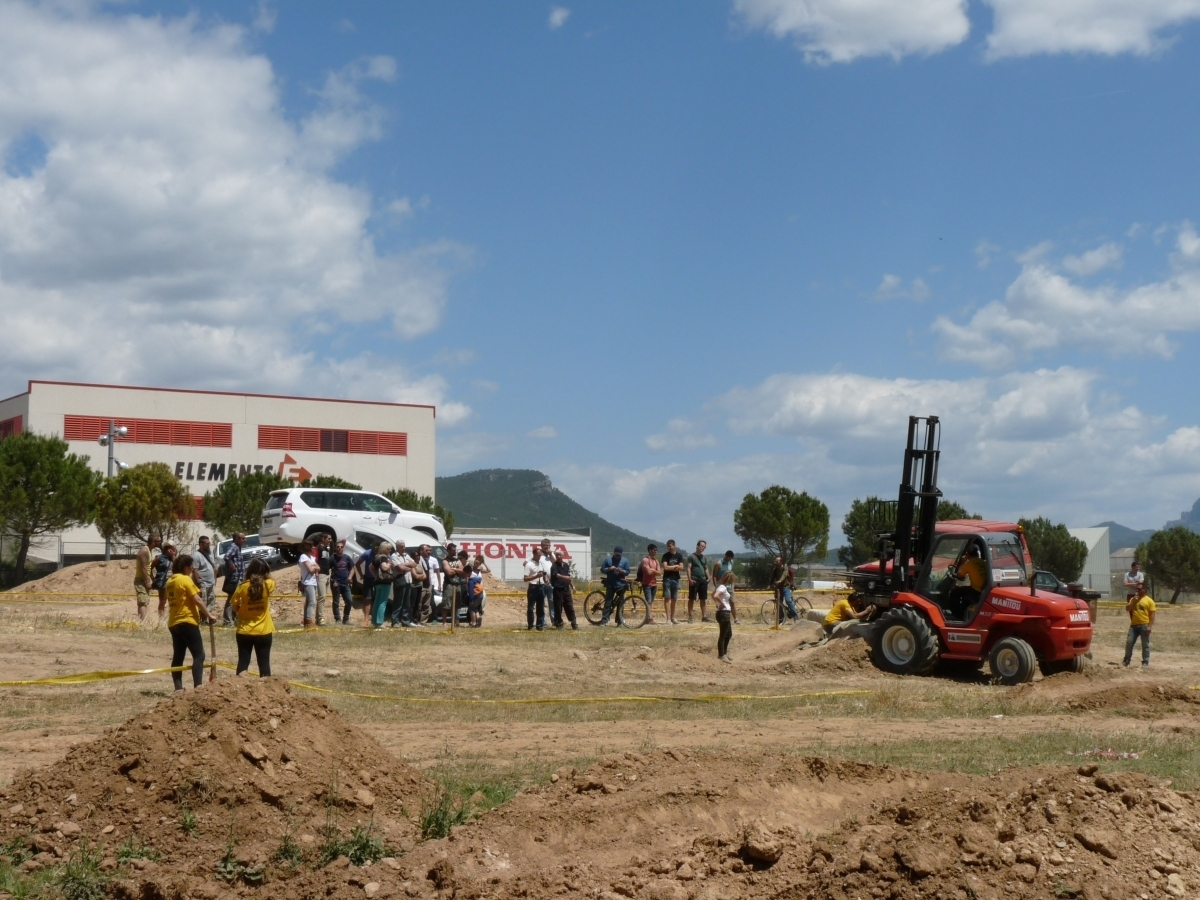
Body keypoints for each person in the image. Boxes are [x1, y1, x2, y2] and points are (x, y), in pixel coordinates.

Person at [165, 553, 215, 691]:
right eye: (191, 567)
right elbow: (197, 599)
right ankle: (198, 687)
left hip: (174, 622)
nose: (192, 570)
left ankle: (178, 688)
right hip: (187, 621)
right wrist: (209, 614)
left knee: (178, 655)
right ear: (186, 568)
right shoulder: (185, 579)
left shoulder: (170, 581)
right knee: (199, 655)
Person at [231, 558, 275, 677]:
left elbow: (234, 608)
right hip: (264, 630)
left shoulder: (242, 587)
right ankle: (267, 691)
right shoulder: (268, 585)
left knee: (243, 663)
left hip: (244, 630)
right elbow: (271, 579)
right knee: (264, 664)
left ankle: (239, 688)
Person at [1124, 583, 1155, 667]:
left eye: (1139, 589)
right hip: (1134, 625)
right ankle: (1126, 660)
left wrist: (1150, 626)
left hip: (1144, 625)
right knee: (1129, 642)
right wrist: (1133, 601)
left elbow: (1152, 615)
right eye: (1136, 589)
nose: (1137, 590)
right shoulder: (1133, 599)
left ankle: (1145, 661)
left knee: (1145, 644)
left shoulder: (1149, 601)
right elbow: (1127, 609)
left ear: (1144, 590)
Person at [599, 546, 631, 627]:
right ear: (614, 553)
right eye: (616, 555)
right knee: (608, 603)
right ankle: (604, 621)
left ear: (621, 554)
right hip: (610, 584)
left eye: (619, 555)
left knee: (620, 604)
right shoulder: (608, 559)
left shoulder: (625, 561)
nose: (617, 557)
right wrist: (609, 569)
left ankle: (619, 621)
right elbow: (602, 569)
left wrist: (621, 571)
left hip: (621, 585)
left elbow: (627, 571)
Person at [221, 532, 247, 626]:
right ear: (236, 539)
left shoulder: (238, 547)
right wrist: (231, 565)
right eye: (243, 538)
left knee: (237, 600)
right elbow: (227, 557)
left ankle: (235, 620)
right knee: (231, 600)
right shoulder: (234, 546)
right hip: (234, 578)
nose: (245, 540)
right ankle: (227, 622)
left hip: (239, 578)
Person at [370, 542, 397, 630]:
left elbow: (370, 567)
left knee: (377, 602)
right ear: (384, 549)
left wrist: (376, 576)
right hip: (385, 582)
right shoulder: (384, 557)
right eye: (388, 549)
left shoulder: (377, 557)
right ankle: (379, 622)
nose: (390, 551)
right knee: (383, 603)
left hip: (378, 582)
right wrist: (389, 563)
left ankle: (374, 621)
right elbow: (384, 568)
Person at [134, 534, 160, 622]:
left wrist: (152, 578)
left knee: (145, 601)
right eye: (158, 541)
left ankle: (143, 621)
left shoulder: (149, 550)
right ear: (153, 542)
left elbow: (149, 567)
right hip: (141, 579)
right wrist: (147, 582)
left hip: (145, 579)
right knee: (142, 601)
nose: (160, 543)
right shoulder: (144, 551)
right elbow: (144, 568)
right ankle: (142, 622)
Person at [523, 546, 549, 631]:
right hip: (533, 587)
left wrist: (545, 579)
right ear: (534, 554)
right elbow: (525, 578)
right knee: (531, 607)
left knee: (540, 607)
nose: (539, 556)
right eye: (538, 555)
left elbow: (543, 574)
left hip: (541, 587)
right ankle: (530, 625)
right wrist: (535, 576)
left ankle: (540, 625)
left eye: (540, 555)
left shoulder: (541, 564)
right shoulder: (529, 565)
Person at [551, 548, 577, 630]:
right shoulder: (554, 565)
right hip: (558, 589)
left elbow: (569, 577)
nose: (558, 556)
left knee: (569, 606)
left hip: (566, 589)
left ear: (563, 556)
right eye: (557, 555)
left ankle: (574, 623)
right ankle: (559, 623)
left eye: (560, 555)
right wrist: (564, 577)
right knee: (558, 607)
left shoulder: (566, 565)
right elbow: (556, 575)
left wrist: (573, 586)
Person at [329, 539, 354, 624]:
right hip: (336, 584)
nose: (339, 548)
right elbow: (326, 570)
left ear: (343, 548)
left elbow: (352, 568)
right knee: (336, 602)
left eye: (341, 547)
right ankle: (337, 619)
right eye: (338, 547)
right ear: (335, 548)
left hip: (346, 583)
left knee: (349, 601)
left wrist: (350, 577)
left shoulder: (347, 557)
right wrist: (332, 581)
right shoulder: (332, 558)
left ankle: (346, 619)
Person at [193, 536, 218, 619]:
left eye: (209, 543)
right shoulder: (196, 556)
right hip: (202, 584)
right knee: (203, 602)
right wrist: (199, 584)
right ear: (201, 544)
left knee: (211, 601)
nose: (209, 545)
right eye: (207, 544)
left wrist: (215, 579)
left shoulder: (210, 554)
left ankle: (207, 618)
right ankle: (202, 620)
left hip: (211, 583)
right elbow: (195, 570)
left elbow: (214, 567)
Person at [660, 539, 684, 625]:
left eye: (670, 546)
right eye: (668, 546)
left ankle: (673, 618)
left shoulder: (679, 556)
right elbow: (665, 567)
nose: (669, 548)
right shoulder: (665, 556)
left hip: (676, 579)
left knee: (674, 599)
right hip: (667, 579)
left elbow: (681, 567)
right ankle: (668, 618)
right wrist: (676, 566)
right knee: (667, 598)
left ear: (674, 546)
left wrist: (673, 567)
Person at [297, 539, 320, 628]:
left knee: (308, 601)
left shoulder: (311, 558)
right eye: (312, 546)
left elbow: (318, 567)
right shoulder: (303, 557)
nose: (313, 548)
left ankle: (306, 620)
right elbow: (311, 570)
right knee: (312, 601)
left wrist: (314, 567)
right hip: (308, 582)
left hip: (314, 582)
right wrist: (314, 567)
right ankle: (309, 620)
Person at [771, 557, 801, 624]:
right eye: (775, 561)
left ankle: (795, 617)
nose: (775, 562)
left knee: (788, 601)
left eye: (777, 561)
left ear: (781, 562)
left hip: (786, 587)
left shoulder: (785, 567)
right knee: (779, 603)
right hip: (779, 588)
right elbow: (772, 578)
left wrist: (780, 580)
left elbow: (784, 575)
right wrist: (769, 585)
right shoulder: (775, 569)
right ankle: (781, 619)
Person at [354, 542, 376, 627]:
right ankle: (366, 619)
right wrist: (361, 575)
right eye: (373, 547)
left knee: (378, 599)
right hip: (368, 579)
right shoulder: (367, 553)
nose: (374, 549)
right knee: (368, 599)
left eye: (376, 547)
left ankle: (375, 618)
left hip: (378, 579)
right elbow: (357, 564)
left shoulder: (383, 554)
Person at [418, 544, 440, 626]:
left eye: (430, 550)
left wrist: (439, 583)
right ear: (422, 551)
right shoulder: (418, 560)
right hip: (421, 583)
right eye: (427, 550)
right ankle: (417, 619)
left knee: (430, 602)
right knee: (420, 602)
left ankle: (434, 618)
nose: (429, 552)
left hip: (431, 584)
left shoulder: (433, 560)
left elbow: (437, 572)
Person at [687, 540, 709, 623]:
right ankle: (690, 616)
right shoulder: (691, 557)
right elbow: (689, 568)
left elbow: (706, 568)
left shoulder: (704, 558)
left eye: (704, 547)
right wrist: (689, 579)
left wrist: (708, 577)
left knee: (703, 598)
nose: (703, 548)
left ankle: (704, 616)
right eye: (702, 546)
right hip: (694, 579)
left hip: (703, 580)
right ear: (697, 546)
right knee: (691, 598)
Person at [638, 544, 661, 624]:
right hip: (646, 583)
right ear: (650, 550)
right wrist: (654, 571)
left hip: (654, 584)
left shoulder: (656, 561)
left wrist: (653, 571)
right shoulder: (645, 560)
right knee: (649, 601)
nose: (656, 552)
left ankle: (649, 617)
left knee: (651, 601)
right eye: (654, 550)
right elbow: (648, 572)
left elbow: (659, 573)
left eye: (656, 550)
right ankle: (649, 618)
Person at [154, 541, 177, 619]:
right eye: (173, 548)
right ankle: (162, 619)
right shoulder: (159, 558)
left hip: (173, 582)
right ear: (168, 549)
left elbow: (178, 566)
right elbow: (150, 568)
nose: (174, 549)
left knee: (173, 601)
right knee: (163, 601)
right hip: (163, 582)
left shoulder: (174, 558)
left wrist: (173, 556)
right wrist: (152, 578)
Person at [714, 572, 734, 663]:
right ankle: (721, 654)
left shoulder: (720, 587)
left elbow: (713, 595)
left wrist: (718, 604)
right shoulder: (723, 587)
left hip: (724, 612)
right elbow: (715, 596)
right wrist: (721, 604)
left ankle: (724, 653)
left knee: (728, 634)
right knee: (724, 634)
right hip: (723, 613)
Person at [314, 533, 333, 625]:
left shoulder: (326, 549)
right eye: (329, 538)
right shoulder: (319, 548)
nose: (330, 540)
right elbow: (315, 560)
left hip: (327, 574)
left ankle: (318, 618)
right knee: (322, 597)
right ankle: (320, 618)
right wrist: (317, 573)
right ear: (323, 539)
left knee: (323, 597)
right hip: (321, 574)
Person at [713, 551, 737, 623]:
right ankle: (721, 618)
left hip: (729, 586)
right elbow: (714, 575)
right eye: (728, 557)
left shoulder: (731, 562)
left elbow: (730, 574)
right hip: (720, 585)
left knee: (732, 602)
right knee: (720, 602)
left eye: (730, 558)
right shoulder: (718, 563)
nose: (729, 559)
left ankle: (736, 619)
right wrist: (716, 586)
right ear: (725, 556)